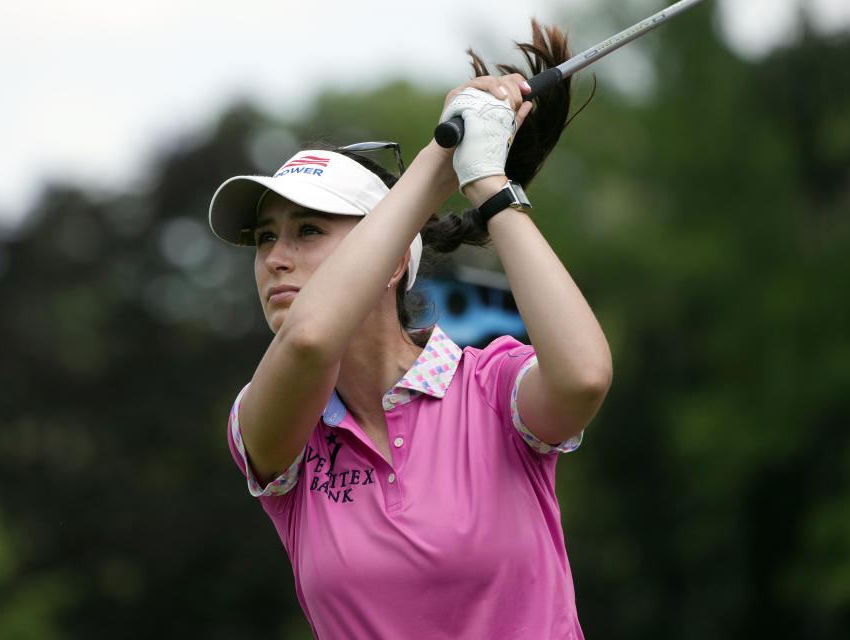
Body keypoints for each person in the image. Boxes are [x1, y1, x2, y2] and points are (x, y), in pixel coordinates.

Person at [209, 22, 611, 640]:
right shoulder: (274, 427)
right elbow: (312, 340)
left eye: (307, 231)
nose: (274, 259)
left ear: (394, 260)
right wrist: (439, 161)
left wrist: (486, 181)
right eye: (265, 238)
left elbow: (584, 377)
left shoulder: (489, 386)